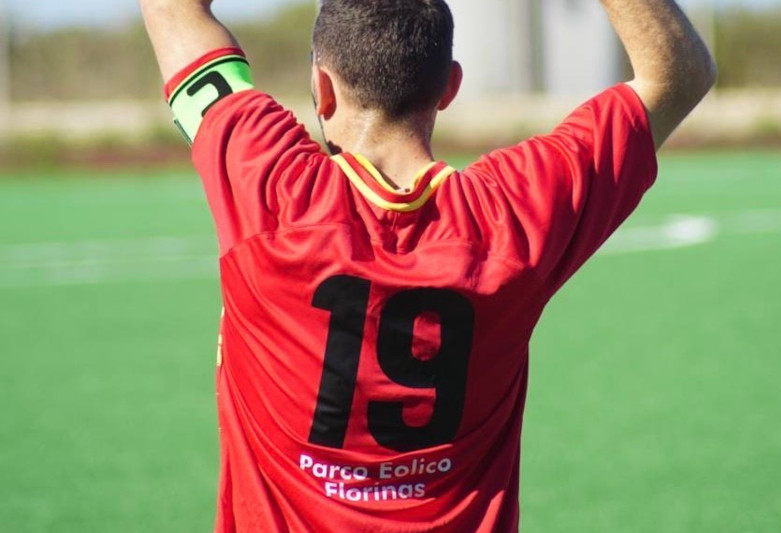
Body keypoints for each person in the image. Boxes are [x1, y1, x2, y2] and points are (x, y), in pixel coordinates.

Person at [139, 0, 716, 531]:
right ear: (450, 87)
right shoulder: (515, 218)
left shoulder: (267, 184)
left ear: (321, 87)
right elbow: (679, 75)